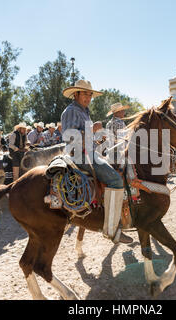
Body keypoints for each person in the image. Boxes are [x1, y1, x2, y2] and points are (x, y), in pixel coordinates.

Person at [61, 80, 133, 244]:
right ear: (76, 94)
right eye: (85, 93)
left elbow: (86, 137)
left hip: (88, 152)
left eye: (90, 94)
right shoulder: (72, 111)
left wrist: (98, 139)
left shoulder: (83, 111)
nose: (89, 97)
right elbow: (68, 136)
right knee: (115, 179)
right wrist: (92, 129)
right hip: (79, 155)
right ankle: (111, 228)